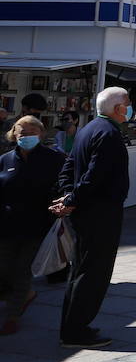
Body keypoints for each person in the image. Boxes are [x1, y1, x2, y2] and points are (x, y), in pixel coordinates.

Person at [50, 86, 132, 348]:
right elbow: (95, 175)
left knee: (81, 269)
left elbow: (69, 166)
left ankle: (72, 326)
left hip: (87, 212)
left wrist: (68, 196)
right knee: (93, 272)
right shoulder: (108, 134)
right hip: (100, 214)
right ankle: (76, 331)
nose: (130, 108)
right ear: (118, 108)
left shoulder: (89, 129)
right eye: (128, 103)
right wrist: (71, 199)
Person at [0, 116, 65, 335]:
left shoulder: (54, 159)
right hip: (7, 225)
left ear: (40, 134)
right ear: (13, 134)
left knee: (22, 270)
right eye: (20, 133)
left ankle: (12, 316)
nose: (25, 136)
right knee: (4, 269)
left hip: (38, 225)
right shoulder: (6, 160)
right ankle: (25, 295)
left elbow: (65, 185)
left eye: (30, 133)